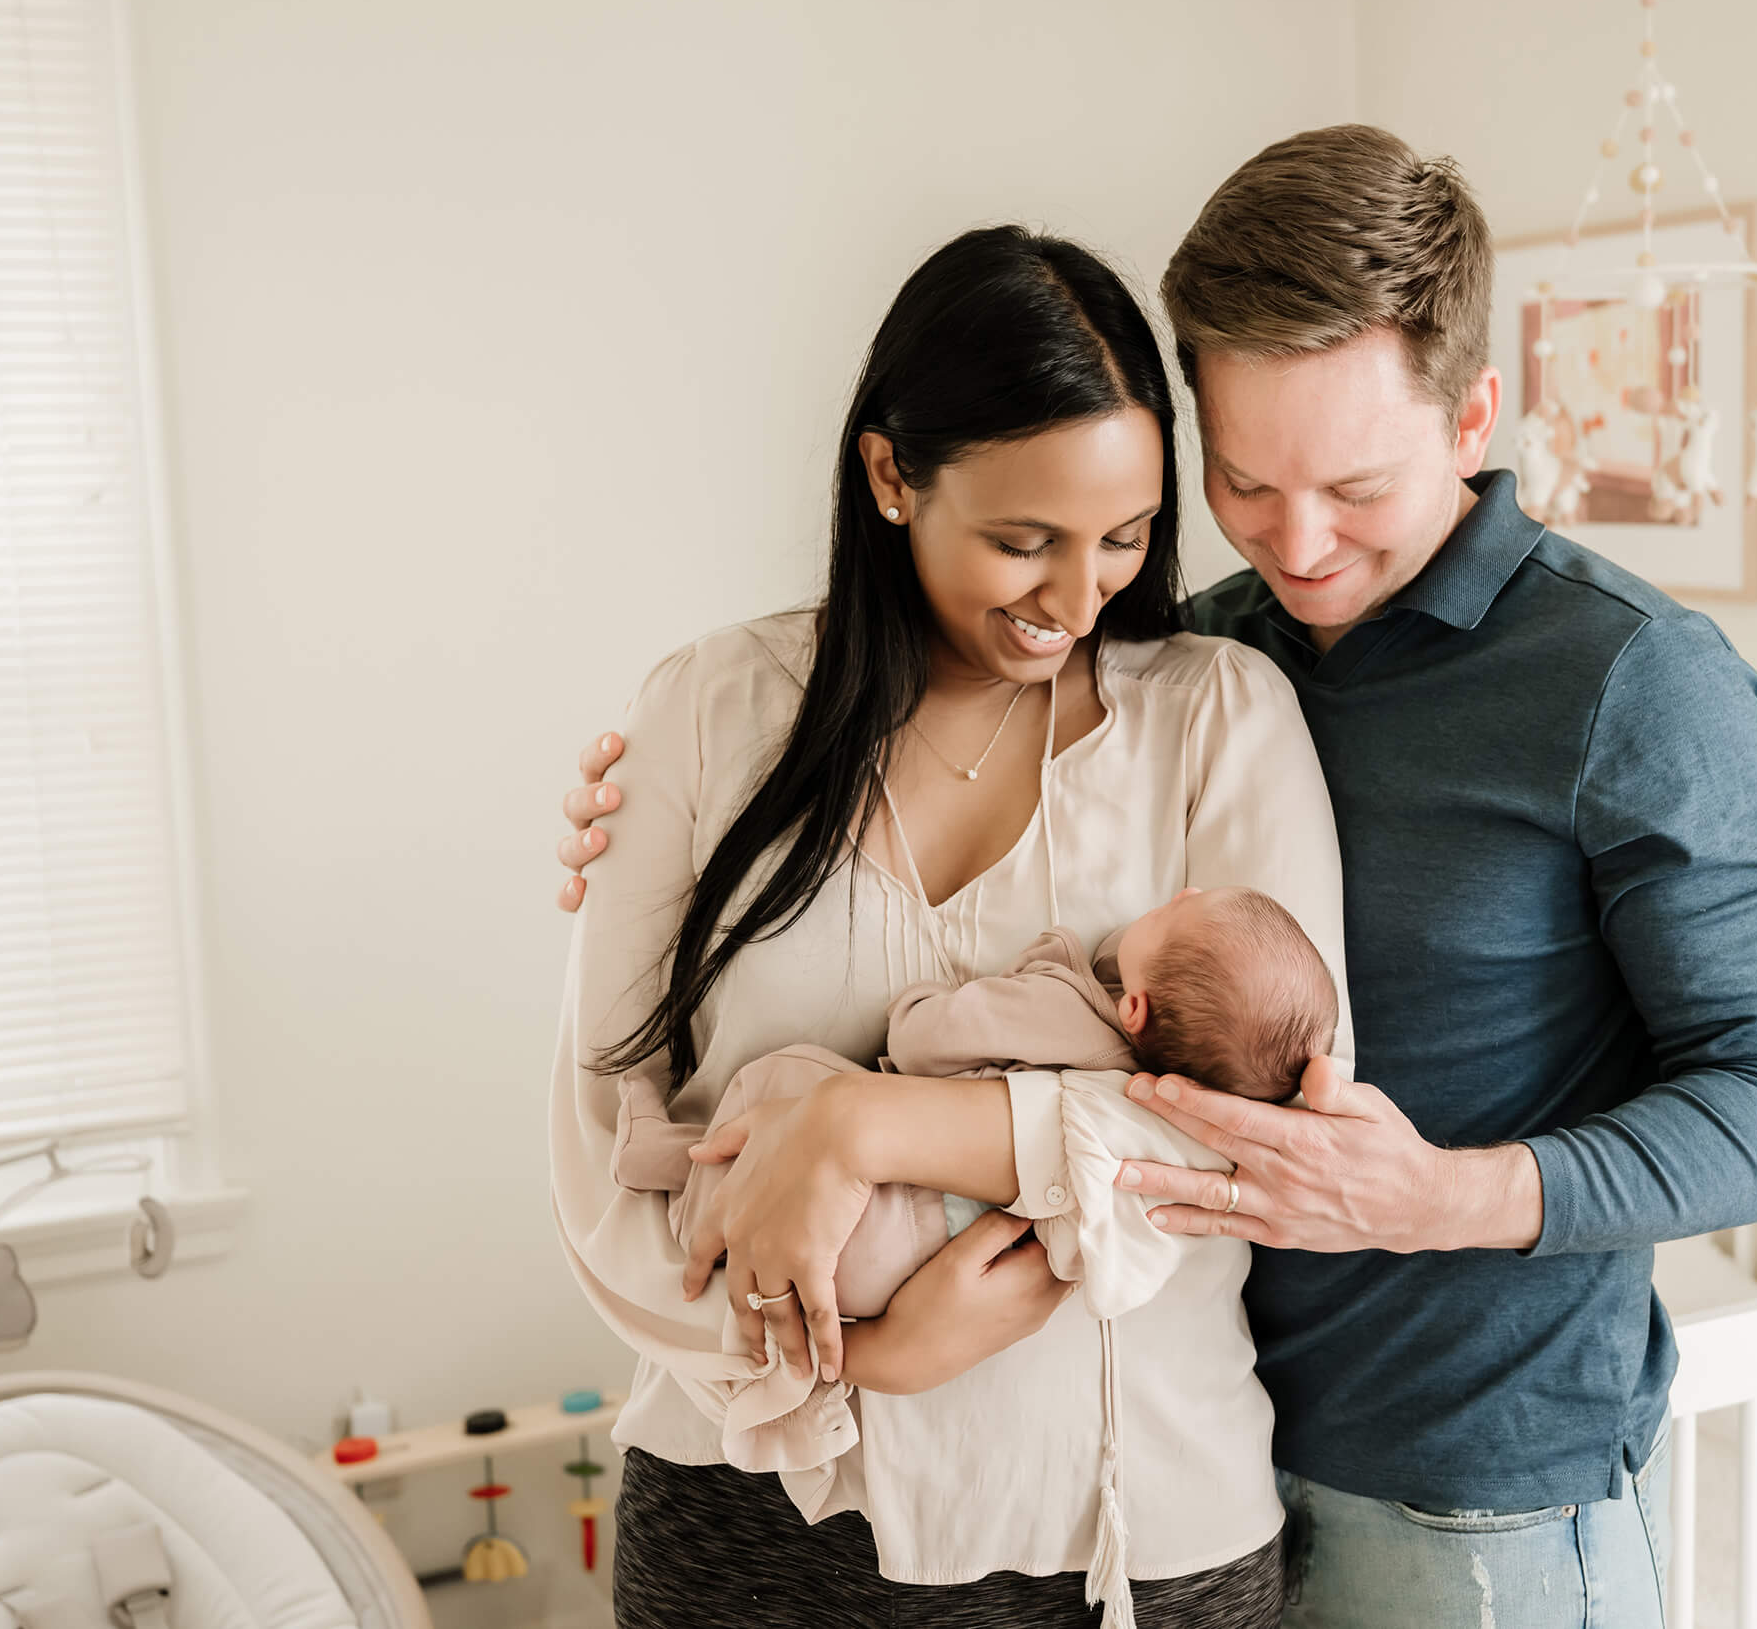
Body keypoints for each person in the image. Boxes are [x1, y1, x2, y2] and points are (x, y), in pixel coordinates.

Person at [562, 126, 1757, 1629]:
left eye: (1355, 486)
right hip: (1217, 1431)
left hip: (1465, 1476)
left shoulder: (1635, 682)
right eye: (1243, 480)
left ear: (1477, 414)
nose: (1299, 544)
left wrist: (1451, 1194)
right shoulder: (1223, 649)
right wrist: (652, 806)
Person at [550, 225, 1352, 1629]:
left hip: (1129, 1530)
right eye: (1021, 539)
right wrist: (855, 1354)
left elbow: (1266, 1129)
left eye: (1126, 535)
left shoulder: (1218, 719)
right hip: (760, 1521)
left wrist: (859, 1127)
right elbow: (596, 1138)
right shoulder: (711, 709)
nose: (1077, 595)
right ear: (889, 476)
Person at [605, 886, 1336, 1487]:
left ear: (1134, 1008)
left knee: (785, 1091)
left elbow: (921, 1040)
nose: (1182, 890)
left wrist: (940, 998)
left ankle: (668, 1160)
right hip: (935, 1272)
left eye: (1179, 910)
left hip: (882, 1209)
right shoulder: (1166, 1139)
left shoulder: (1067, 1011)